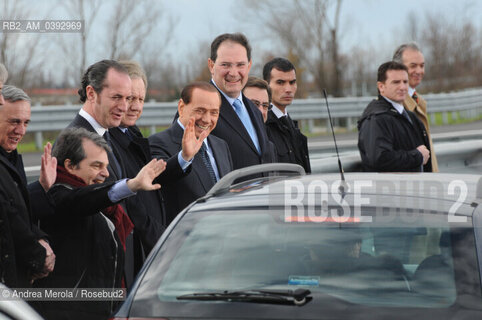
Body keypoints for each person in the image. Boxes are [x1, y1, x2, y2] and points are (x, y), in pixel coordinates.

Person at [37, 127, 166, 320]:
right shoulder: (58, 194)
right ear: (70, 166)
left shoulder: (97, 202)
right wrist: (130, 185)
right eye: (97, 166)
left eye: (106, 166)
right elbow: (82, 201)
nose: (105, 173)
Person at [108, 61, 166, 266]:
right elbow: (132, 203)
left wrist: (185, 158)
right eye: (130, 98)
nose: (135, 107)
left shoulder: (132, 131)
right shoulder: (107, 140)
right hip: (133, 249)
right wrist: (161, 241)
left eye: (141, 99)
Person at [149, 82, 233, 223]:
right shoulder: (157, 142)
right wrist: (184, 157)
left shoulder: (221, 145)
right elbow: (159, 178)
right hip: (186, 237)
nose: (206, 119)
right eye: (200, 110)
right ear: (181, 107)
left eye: (214, 112)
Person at [0, 83, 56, 289]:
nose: (21, 130)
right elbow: (7, 216)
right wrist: (38, 255)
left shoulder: (11, 157)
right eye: (14, 122)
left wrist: (41, 187)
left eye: (26, 122)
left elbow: (19, 208)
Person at [208, 33, 275, 171]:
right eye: (226, 65)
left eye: (240, 65)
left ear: (249, 65)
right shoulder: (199, 108)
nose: (233, 73)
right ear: (211, 65)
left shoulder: (254, 110)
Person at [357, 61, 432, 172]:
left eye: (405, 82)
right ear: (381, 86)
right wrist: (417, 156)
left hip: (414, 187)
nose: (402, 87)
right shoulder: (376, 119)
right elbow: (380, 159)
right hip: (391, 188)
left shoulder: (411, 117)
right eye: (396, 82)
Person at [393, 42, 439, 172]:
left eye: (422, 66)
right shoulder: (395, 106)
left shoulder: (418, 102)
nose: (419, 71)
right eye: (413, 66)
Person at [262, 58, 311, 173]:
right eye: (280, 82)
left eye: (292, 82)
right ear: (266, 85)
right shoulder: (262, 124)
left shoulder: (291, 124)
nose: (288, 89)